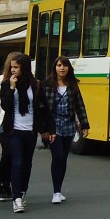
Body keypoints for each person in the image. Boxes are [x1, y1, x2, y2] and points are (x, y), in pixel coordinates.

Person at [0, 53, 49, 213]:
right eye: (11, 67)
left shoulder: (36, 85)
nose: (12, 70)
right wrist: (12, 88)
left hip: (30, 130)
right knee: (17, 162)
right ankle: (16, 198)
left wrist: (47, 129)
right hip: (14, 130)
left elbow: (44, 108)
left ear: (24, 68)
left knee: (27, 164)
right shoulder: (6, 84)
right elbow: (5, 106)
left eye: (16, 67)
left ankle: (22, 191)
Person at [40, 56, 91, 205]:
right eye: (59, 65)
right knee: (58, 157)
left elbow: (79, 105)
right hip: (53, 125)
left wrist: (84, 125)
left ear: (69, 68)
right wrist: (43, 128)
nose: (62, 68)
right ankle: (56, 192)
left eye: (65, 66)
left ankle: (59, 190)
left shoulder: (73, 84)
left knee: (64, 159)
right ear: (54, 67)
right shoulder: (47, 85)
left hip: (68, 125)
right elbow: (41, 107)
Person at [0, 52, 19, 202]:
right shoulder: (0, 80)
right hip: (2, 121)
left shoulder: (27, 81)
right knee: (7, 152)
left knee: (17, 155)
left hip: (20, 123)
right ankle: (3, 185)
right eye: (12, 66)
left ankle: (16, 186)